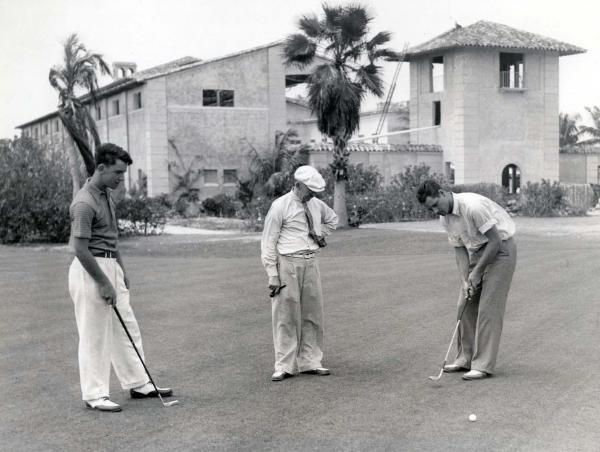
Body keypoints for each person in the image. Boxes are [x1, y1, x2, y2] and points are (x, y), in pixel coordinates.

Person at [68, 143, 172, 412]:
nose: (120, 179)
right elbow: (79, 249)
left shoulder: (105, 195)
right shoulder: (84, 202)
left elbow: (111, 239)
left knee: (128, 326)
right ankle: (94, 394)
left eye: (123, 174)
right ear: (100, 168)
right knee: (94, 334)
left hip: (109, 264)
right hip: (89, 270)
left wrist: (120, 270)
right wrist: (103, 281)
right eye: (117, 173)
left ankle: (138, 382)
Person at [416, 180, 517, 380]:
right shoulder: (445, 218)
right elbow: (459, 249)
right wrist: (465, 280)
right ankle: (464, 359)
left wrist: (477, 272)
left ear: (443, 193)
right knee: (465, 302)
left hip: (501, 251)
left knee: (488, 308)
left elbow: (495, 241)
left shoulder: (472, 206)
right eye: (431, 209)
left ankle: (483, 365)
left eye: (436, 204)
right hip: (478, 252)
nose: (436, 211)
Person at [261, 165, 338, 381]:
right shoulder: (280, 206)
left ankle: (310, 361)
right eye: (309, 189)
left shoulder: (315, 204)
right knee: (285, 315)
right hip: (287, 262)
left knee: (313, 314)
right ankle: (284, 365)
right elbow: (268, 242)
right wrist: (272, 274)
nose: (312, 194)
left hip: (311, 261)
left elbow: (333, 219)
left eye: (315, 191)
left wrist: (319, 234)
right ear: (297, 185)